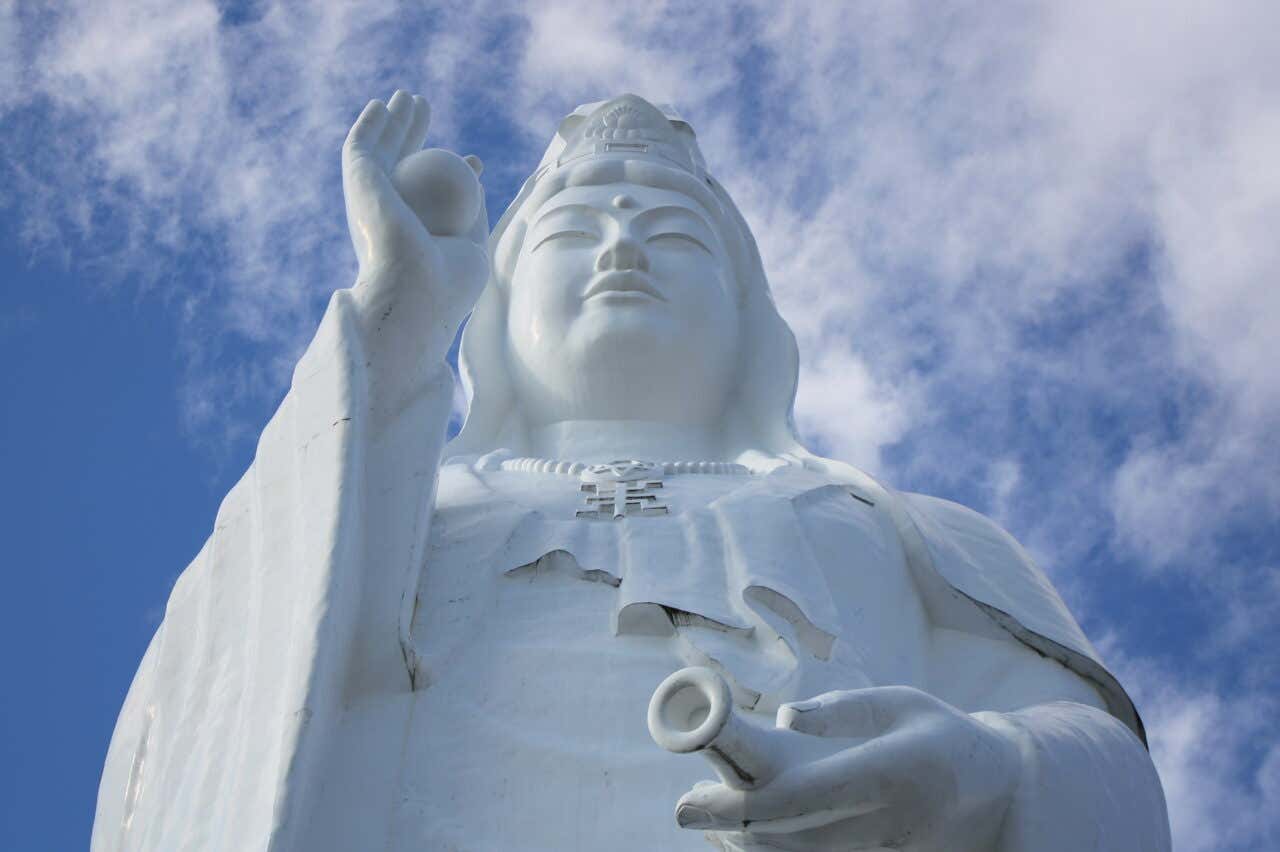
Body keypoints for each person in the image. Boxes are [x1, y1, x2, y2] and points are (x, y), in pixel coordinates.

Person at [93, 92, 1170, 851]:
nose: (621, 251)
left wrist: (988, 776)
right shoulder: (397, 501)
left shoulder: (885, 519)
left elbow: (1099, 761)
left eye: (674, 235)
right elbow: (227, 712)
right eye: (571, 231)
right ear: (497, 306)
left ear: (747, 315)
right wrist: (393, 330)